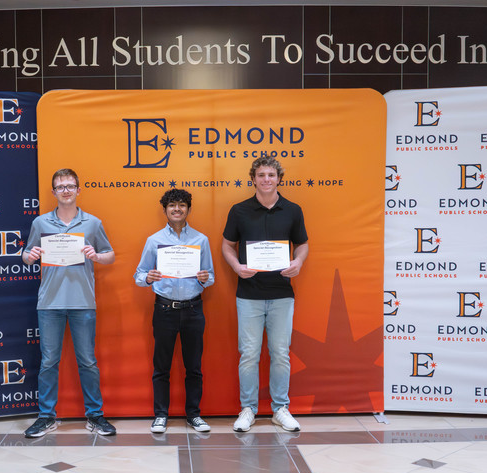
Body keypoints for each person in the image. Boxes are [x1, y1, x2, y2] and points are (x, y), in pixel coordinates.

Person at [22, 168, 117, 438]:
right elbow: (27, 254)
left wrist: (96, 256)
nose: (65, 190)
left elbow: (110, 255)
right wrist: (31, 256)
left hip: (83, 301)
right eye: (60, 186)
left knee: (87, 361)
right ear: (53, 192)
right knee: (49, 361)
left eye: (70, 186)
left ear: (78, 189)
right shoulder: (40, 223)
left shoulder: (93, 223)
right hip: (49, 303)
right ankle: (46, 417)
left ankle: (95, 416)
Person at [221, 156, 309, 433]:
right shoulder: (239, 211)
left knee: (280, 353)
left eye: (271, 174)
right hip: (248, 294)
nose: (267, 179)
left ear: (279, 178)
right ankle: (248, 409)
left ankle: (280, 408)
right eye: (261, 175)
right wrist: (236, 266)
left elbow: (303, 244)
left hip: (282, 294)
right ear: (254, 179)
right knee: (249, 354)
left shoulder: (293, 210)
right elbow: (227, 245)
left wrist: (298, 262)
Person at [135, 189, 215, 434]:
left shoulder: (201, 240)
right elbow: (138, 275)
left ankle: (194, 415)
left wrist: (204, 278)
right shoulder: (154, 240)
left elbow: (210, 276)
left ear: (189, 209)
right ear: (165, 210)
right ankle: (161, 414)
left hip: (193, 308)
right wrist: (148, 277)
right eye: (172, 205)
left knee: (194, 367)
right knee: (162, 366)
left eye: (182, 205)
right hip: (164, 308)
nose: (177, 209)